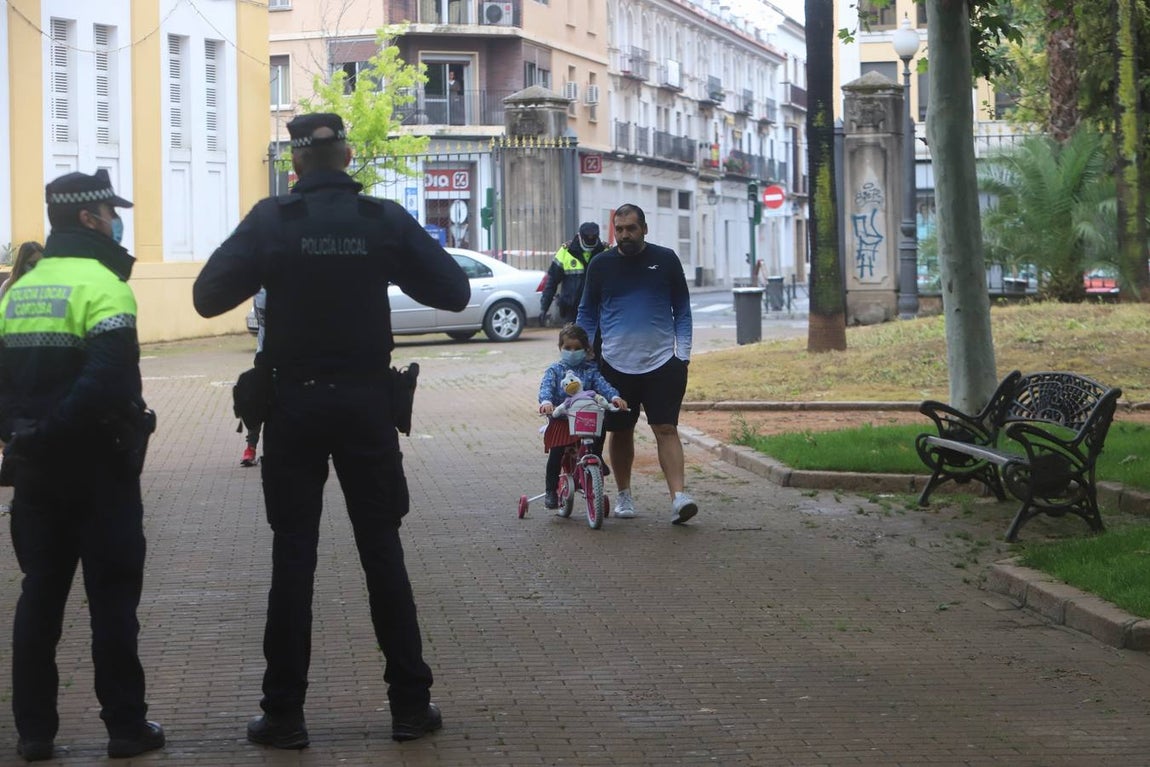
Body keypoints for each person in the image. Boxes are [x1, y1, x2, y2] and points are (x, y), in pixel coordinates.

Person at [193, 112, 470, 750]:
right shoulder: (381, 222)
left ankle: (284, 715)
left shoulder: (272, 221)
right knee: (383, 553)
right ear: (347, 156)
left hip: (293, 407)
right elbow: (455, 292)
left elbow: (208, 298)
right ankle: (409, 706)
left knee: (293, 558)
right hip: (367, 407)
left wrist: (273, 267)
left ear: (295, 166)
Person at [0, 170, 164, 762]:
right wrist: (54, 432)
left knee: (39, 599)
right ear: (91, 218)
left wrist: (22, 436)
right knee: (113, 603)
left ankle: (34, 734)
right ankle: (125, 728)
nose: (117, 221)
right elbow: (108, 380)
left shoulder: (19, 289)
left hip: (37, 475)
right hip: (100, 471)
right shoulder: (105, 285)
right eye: (110, 212)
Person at [576, 203, 697, 525]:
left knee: (666, 428)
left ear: (644, 228)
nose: (625, 235)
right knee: (622, 429)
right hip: (614, 364)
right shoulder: (601, 265)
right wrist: (582, 353)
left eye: (631, 228)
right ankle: (625, 494)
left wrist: (682, 355)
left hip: (662, 363)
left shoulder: (666, 260)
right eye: (619, 229)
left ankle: (679, 498)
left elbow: (682, 310)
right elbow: (587, 313)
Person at [537, 324, 626, 509]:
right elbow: (546, 387)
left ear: (585, 350)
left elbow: (603, 386)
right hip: (562, 419)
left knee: (601, 424)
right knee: (556, 454)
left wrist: (615, 397)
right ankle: (551, 491)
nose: (572, 352)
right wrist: (546, 402)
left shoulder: (590, 370)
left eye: (577, 348)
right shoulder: (555, 370)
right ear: (560, 348)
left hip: (585, 418)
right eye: (568, 348)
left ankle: (596, 456)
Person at [539, 222, 606, 326]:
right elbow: (552, 281)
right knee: (572, 341)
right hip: (571, 311)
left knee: (597, 342)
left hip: (599, 311)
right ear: (579, 236)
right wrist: (544, 307)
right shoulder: (566, 252)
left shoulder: (605, 251)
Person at [241, 287, 267, 467]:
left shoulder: (259, 290)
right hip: (272, 356)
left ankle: (250, 448)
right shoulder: (262, 292)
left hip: (265, 354)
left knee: (257, 400)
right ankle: (250, 447)